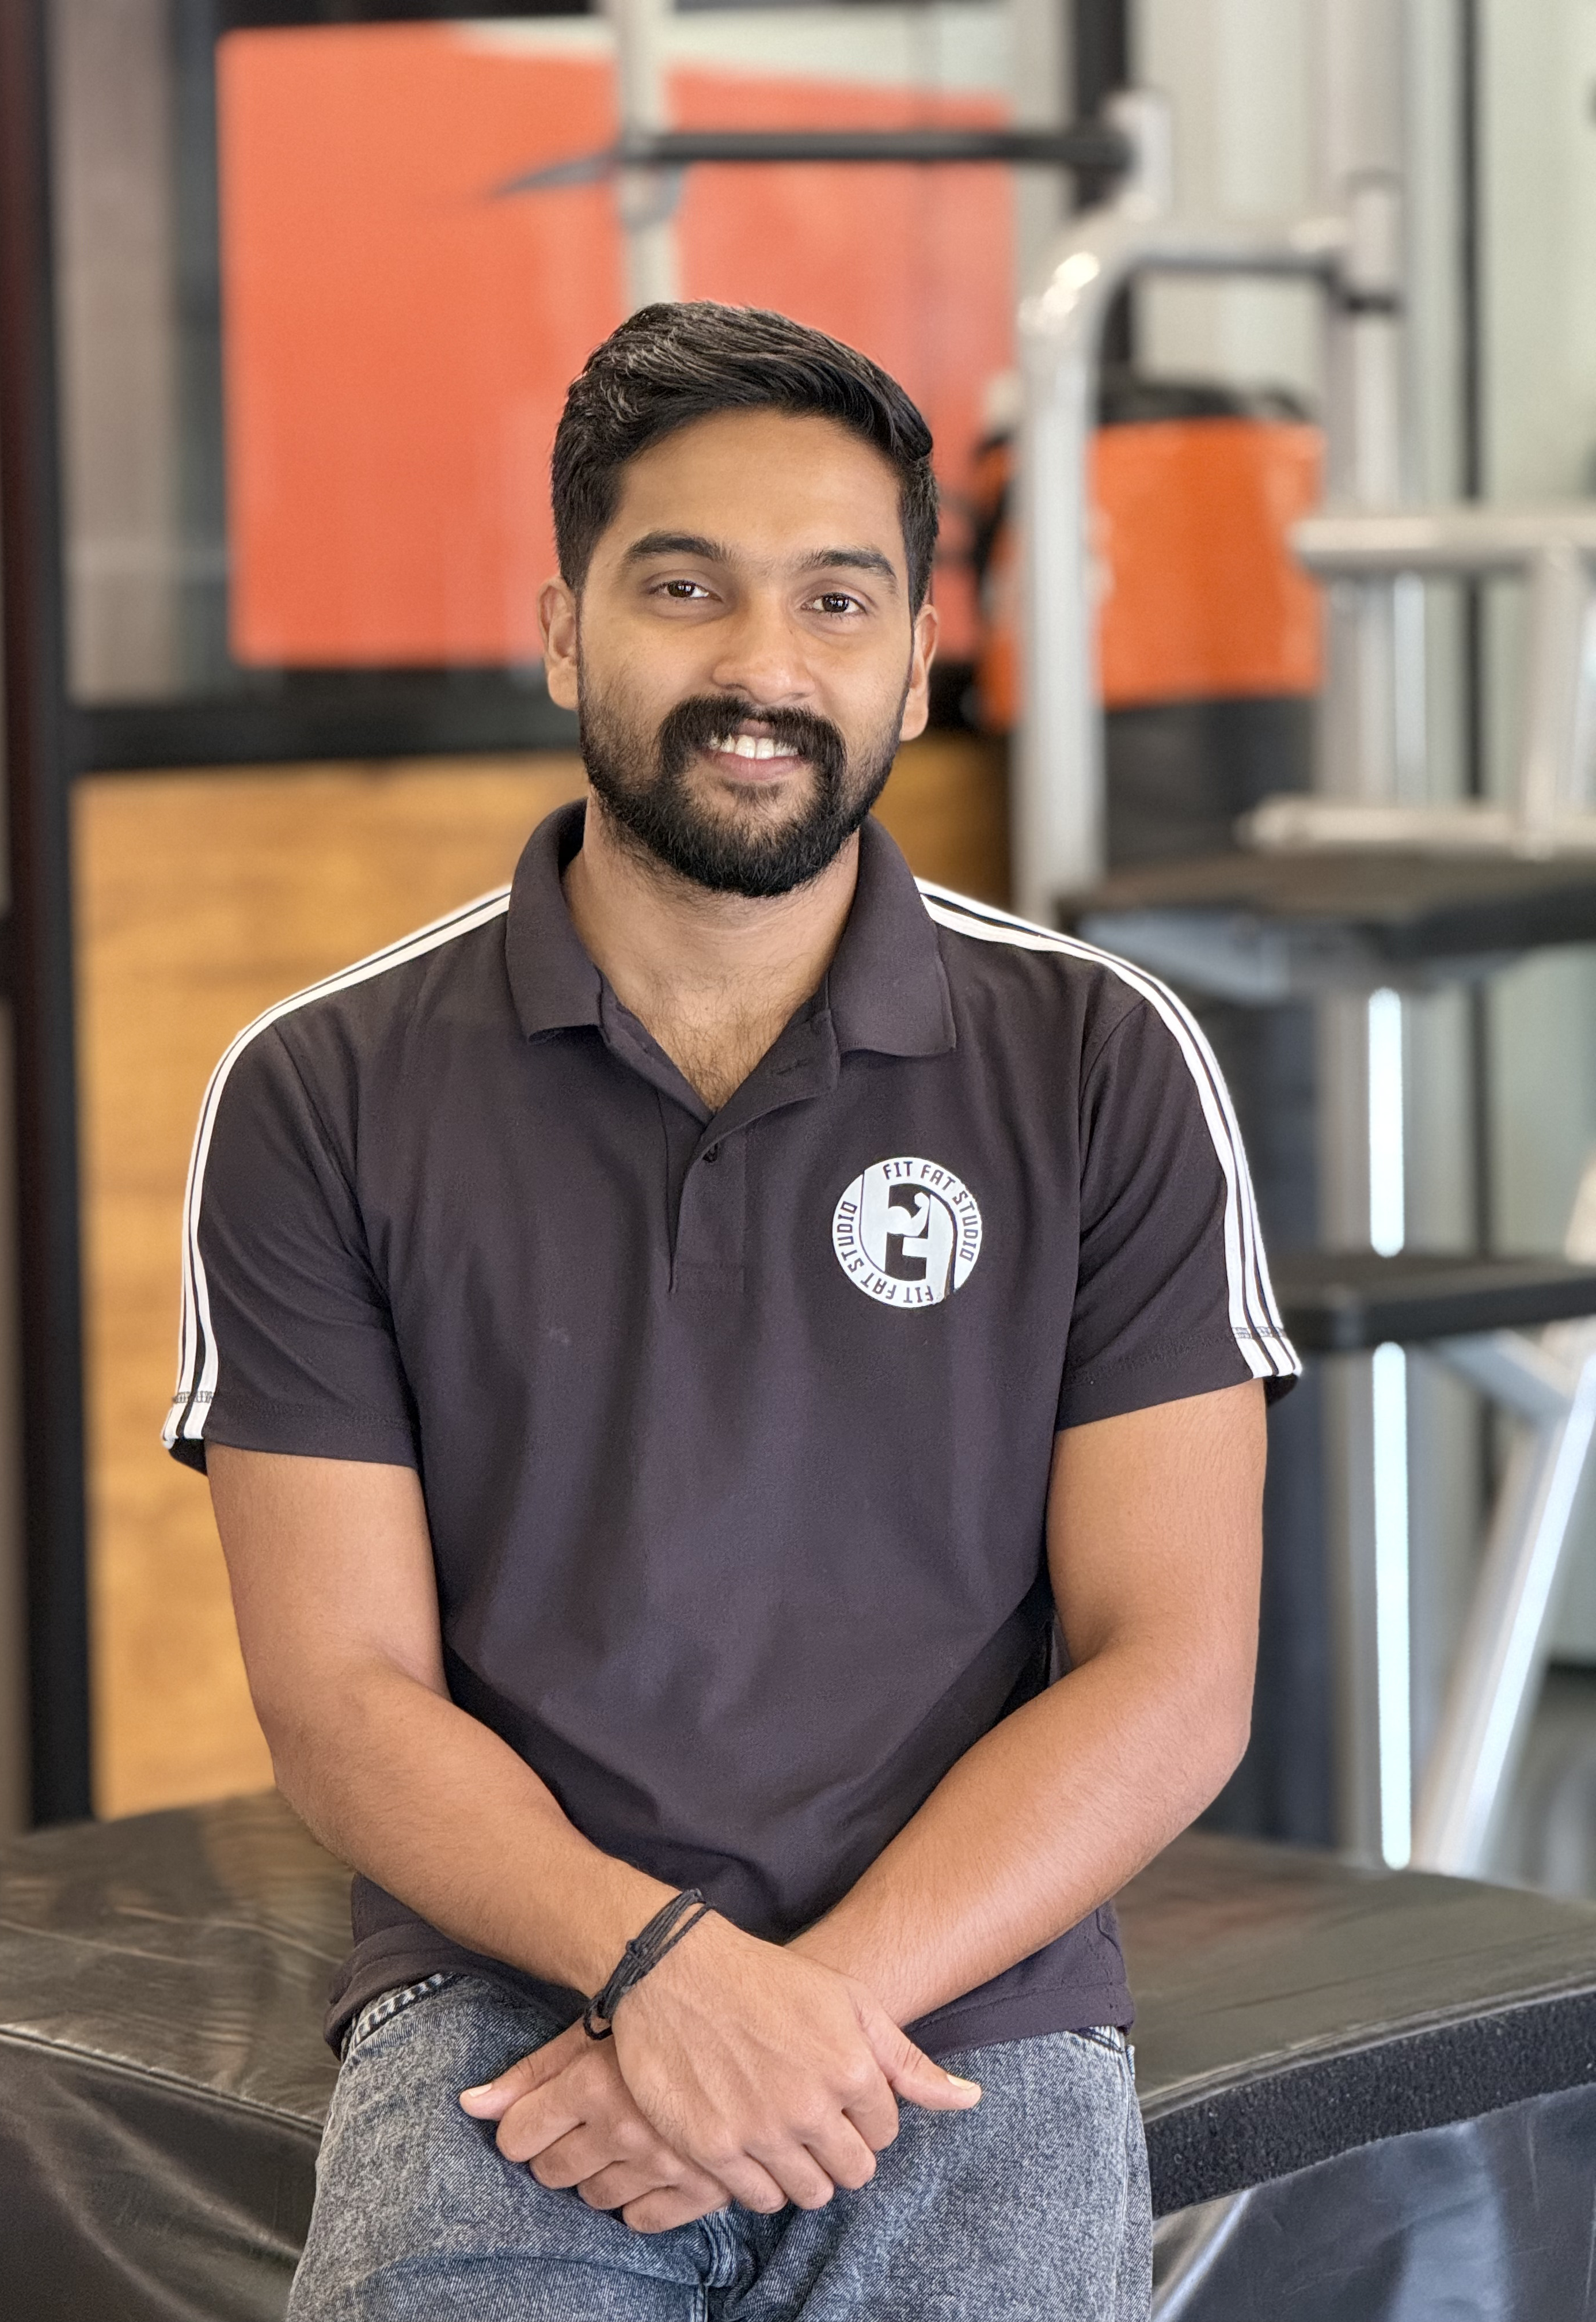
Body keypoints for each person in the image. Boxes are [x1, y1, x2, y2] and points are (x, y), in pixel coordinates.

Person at [165, 301, 1298, 2320]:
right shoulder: (319, 1092)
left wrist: (795, 2018)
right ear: (565, 632)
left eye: (836, 601)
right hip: (505, 2004)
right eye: (684, 588)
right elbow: (340, 1696)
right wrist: (656, 1971)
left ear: (917, 667)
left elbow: (1174, 1671)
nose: (763, 668)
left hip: (970, 1996)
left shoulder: (1102, 1061)